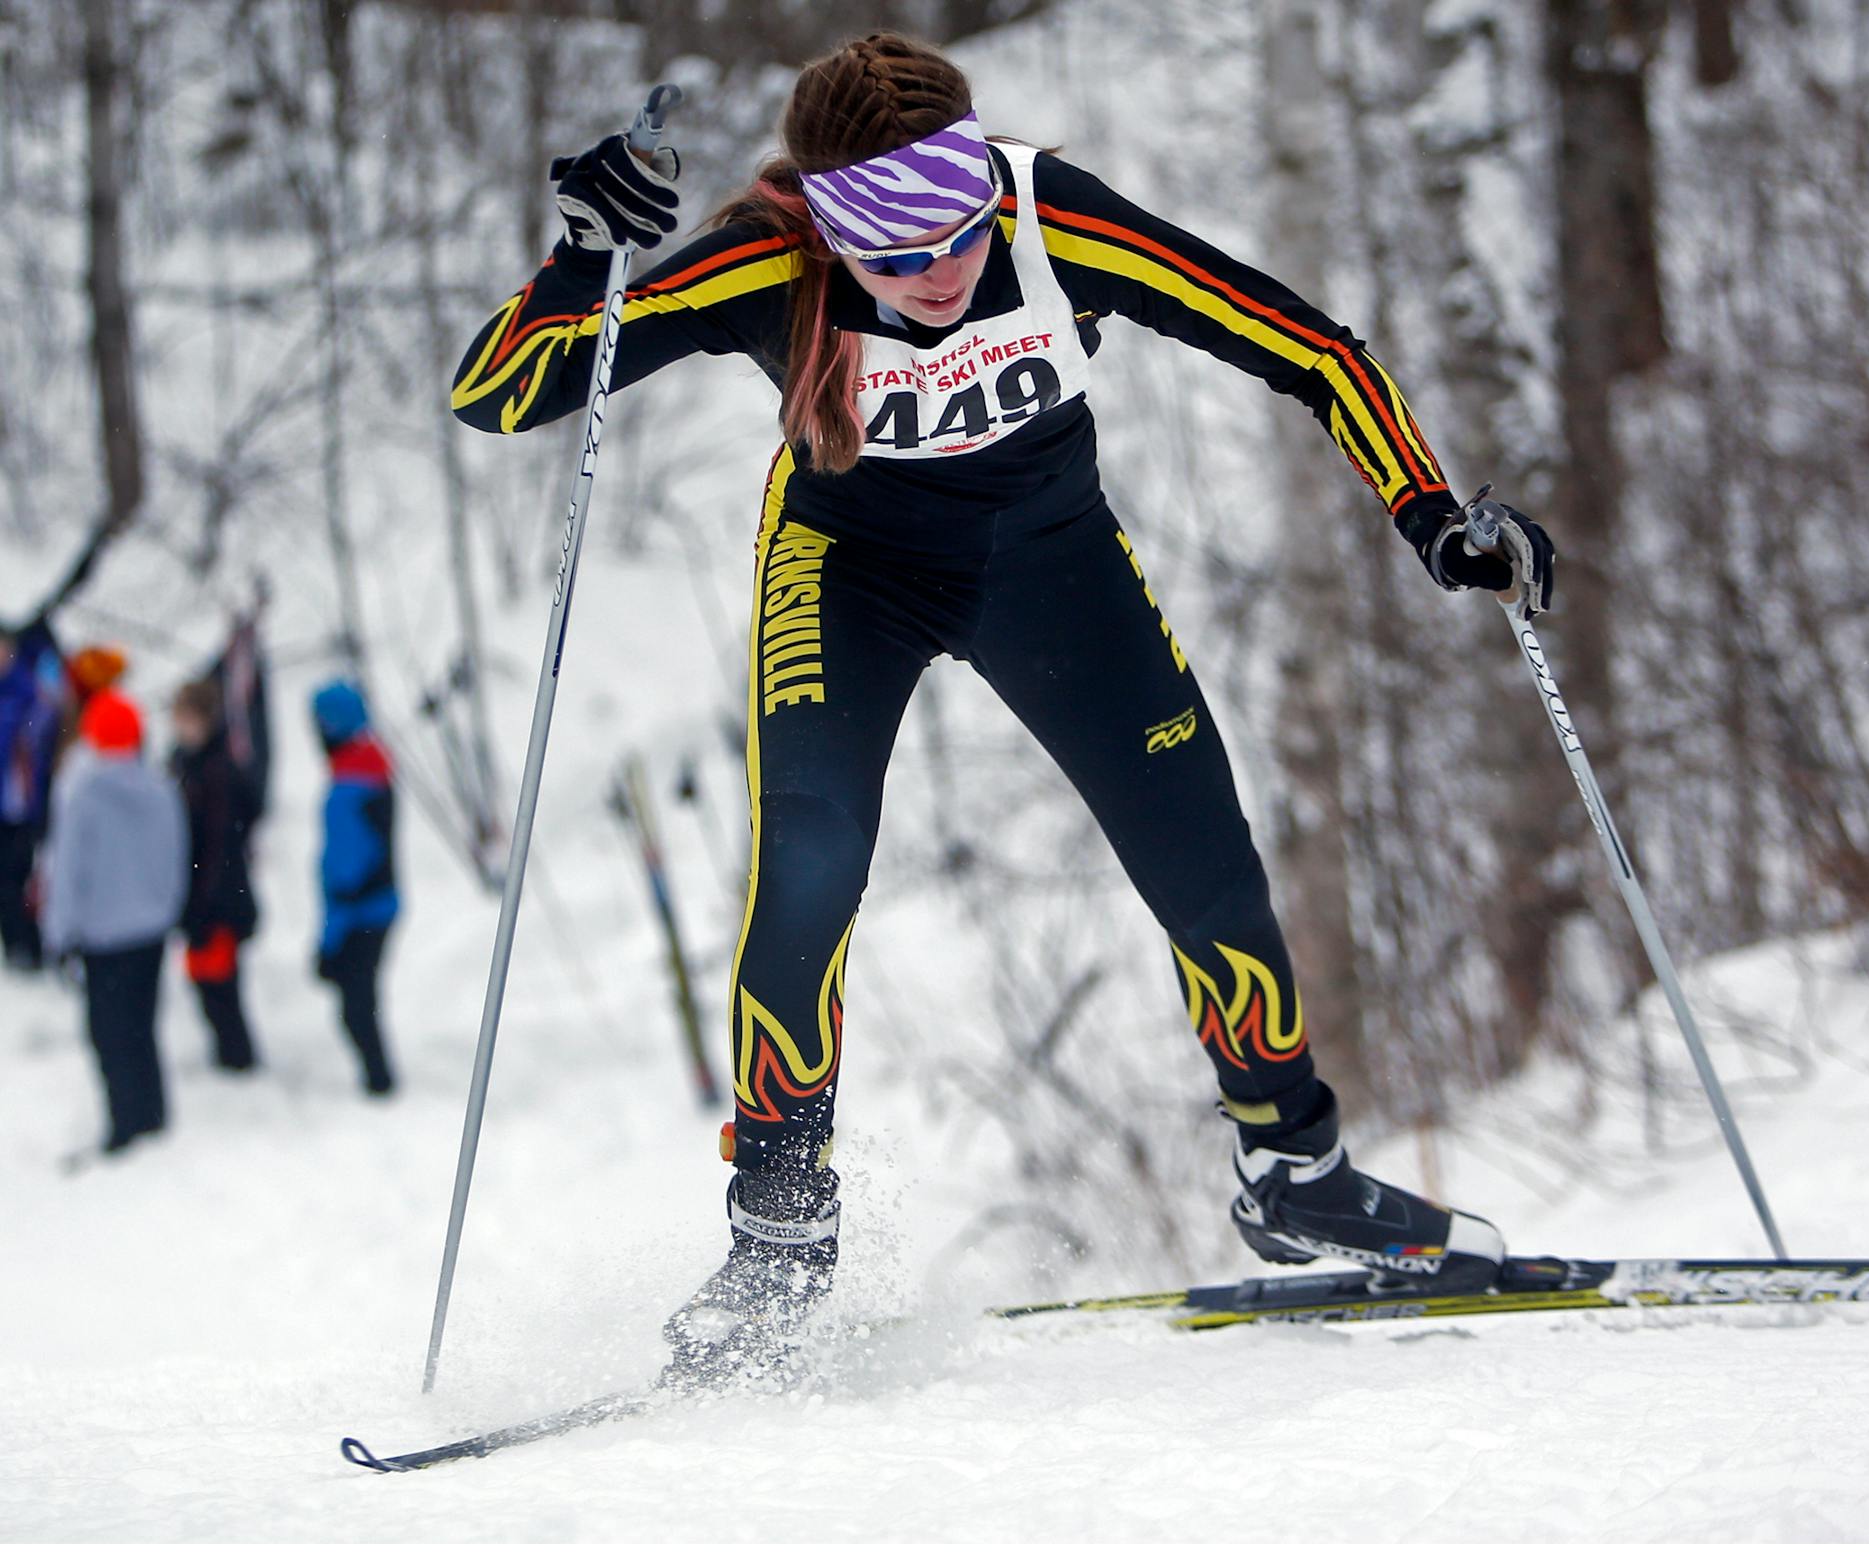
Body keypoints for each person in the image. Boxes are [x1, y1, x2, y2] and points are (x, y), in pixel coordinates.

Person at [452, 32, 1557, 1371]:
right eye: (895, 256)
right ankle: (779, 1241)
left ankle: (1297, 1176)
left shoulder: (1049, 218)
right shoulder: (768, 256)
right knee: (807, 868)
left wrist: (1435, 518)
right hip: (847, 574)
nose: (938, 275)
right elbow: (500, 398)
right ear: (833, 232)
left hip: (1050, 561)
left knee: (1199, 846)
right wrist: (583, 258)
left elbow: (1312, 348)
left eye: (958, 235)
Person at [40, 690, 188, 1156]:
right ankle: (153, 1113)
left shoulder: (83, 794)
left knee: (108, 1033)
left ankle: (125, 1124)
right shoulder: (162, 789)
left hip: (103, 936)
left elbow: (65, 871)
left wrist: (59, 934)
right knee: (143, 1025)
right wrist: (165, 909)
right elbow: (177, 858)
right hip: (150, 931)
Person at [170, 678, 265, 1072]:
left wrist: (205, 902)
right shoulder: (183, 763)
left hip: (219, 897)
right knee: (206, 980)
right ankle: (231, 1056)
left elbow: (221, 844)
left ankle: (238, 1060)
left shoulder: (218, 770)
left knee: (220, 983)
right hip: (199, 893)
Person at [311, 679, 400, 1096]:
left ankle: (379, 1084)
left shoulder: (349, 787)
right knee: (361, 1000)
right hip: (381, 905)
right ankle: (379, 1079)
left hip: (361, 915)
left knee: (356, 1007)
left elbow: (343, 873)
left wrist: (330, 941)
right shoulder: (374, 767)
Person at [0, 620, 66, 971]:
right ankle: (16, 946)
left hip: (23, 807)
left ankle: (29, 947)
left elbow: (44, 731)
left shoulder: (32, 691)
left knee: (22, 879)